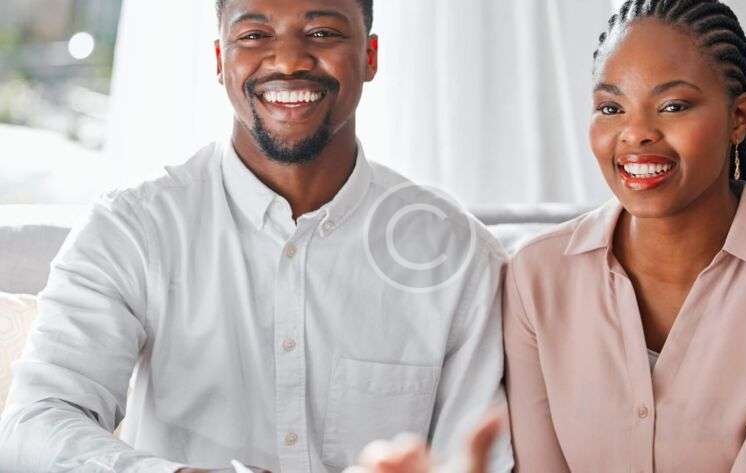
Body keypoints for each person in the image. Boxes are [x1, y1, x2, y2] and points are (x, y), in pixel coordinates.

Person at [0, 1, 513, 472]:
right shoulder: (131, 228)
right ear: (220, 60)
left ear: (370, 57)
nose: (288, 60)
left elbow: (477, 457)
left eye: (322, 32)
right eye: (254, 35)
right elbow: (35, 421)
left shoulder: (457, 253)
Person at [503, 0, 746, 472]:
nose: (636, 133)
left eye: (673, 106)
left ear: (739, 117)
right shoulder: (535, 276)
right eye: (611, 108)